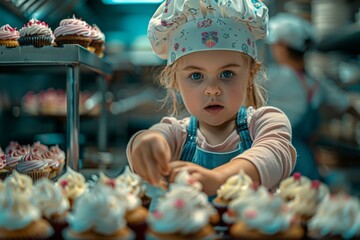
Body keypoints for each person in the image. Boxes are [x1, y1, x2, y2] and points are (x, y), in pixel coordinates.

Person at [126, 0, 296, 198]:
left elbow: (272, 155)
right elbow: (153, 139)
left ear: (250, 74)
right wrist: (146, 143)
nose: (213, 90)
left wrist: (218, 180)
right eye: (196, 76)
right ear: (174, 81)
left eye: (227, 74)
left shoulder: (265, 124)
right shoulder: (176, 134)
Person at [266, 13, 353, 180]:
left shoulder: (275, 78)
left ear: (282, 46)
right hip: (306, 160)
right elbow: (346, 105)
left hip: (279, 158)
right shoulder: (317, 82)